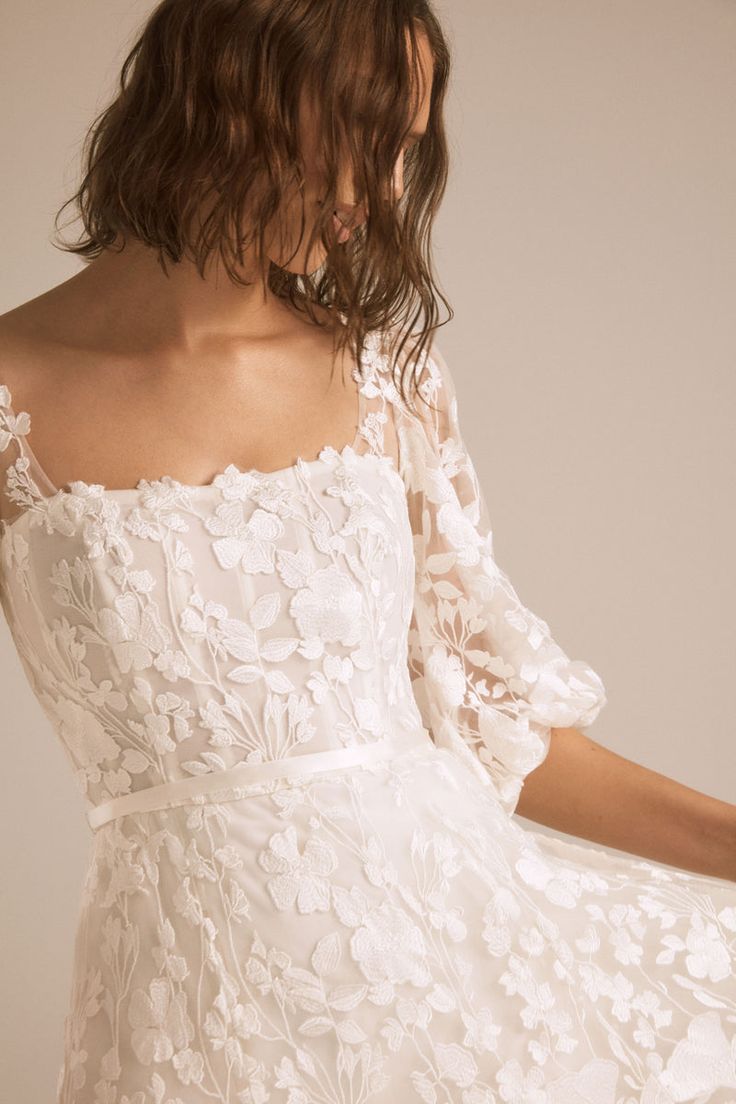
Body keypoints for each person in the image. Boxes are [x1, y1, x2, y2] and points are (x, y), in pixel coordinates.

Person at [0, 2, 734, 1101]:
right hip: (186, 1012)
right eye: (355, 130)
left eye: (404, 144)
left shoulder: (389, 377)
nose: (376, 188)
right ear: (218, 96)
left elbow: (496, 729)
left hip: (464, 981)